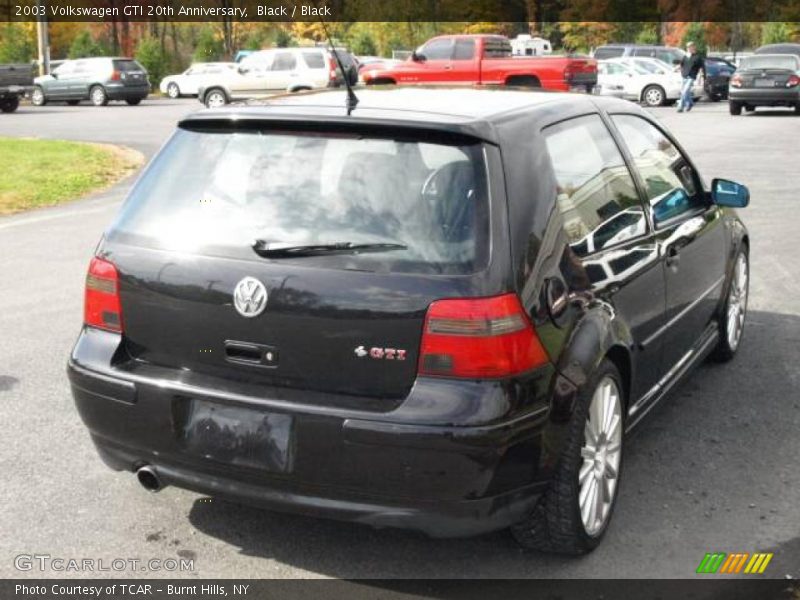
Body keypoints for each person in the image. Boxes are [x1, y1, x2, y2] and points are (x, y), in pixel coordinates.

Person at [676, 42, 705, 112]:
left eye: (690, 47)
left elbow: (701, 67)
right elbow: (681, 65)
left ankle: (680, 106)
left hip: (691, 76)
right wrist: (674, 69)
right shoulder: (685, 56)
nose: (689, 48)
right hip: (684, 76)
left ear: (694, 47)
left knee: (685, 91)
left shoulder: (697, 57)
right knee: (686, 93)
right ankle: (690, 103)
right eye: (688, 47)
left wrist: (701, 77)